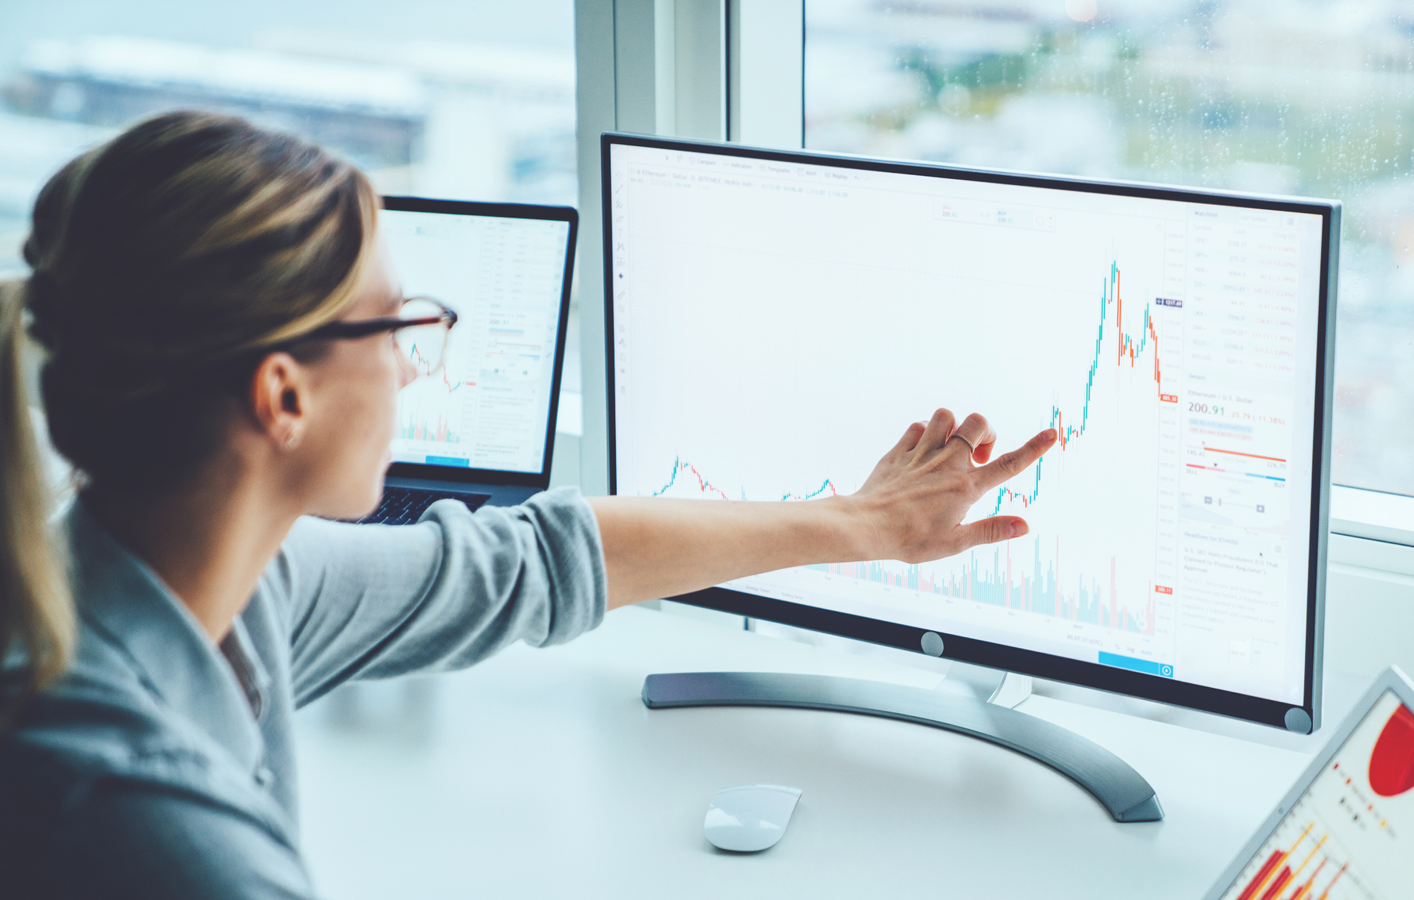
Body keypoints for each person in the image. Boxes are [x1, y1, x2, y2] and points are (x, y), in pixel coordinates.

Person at [0, 111, 1056, 898]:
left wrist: (861, 525)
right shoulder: (134, 816)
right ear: (284, 396)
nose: (416, 371)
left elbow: (534, 563)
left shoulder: (196, 579)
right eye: (397, 330)